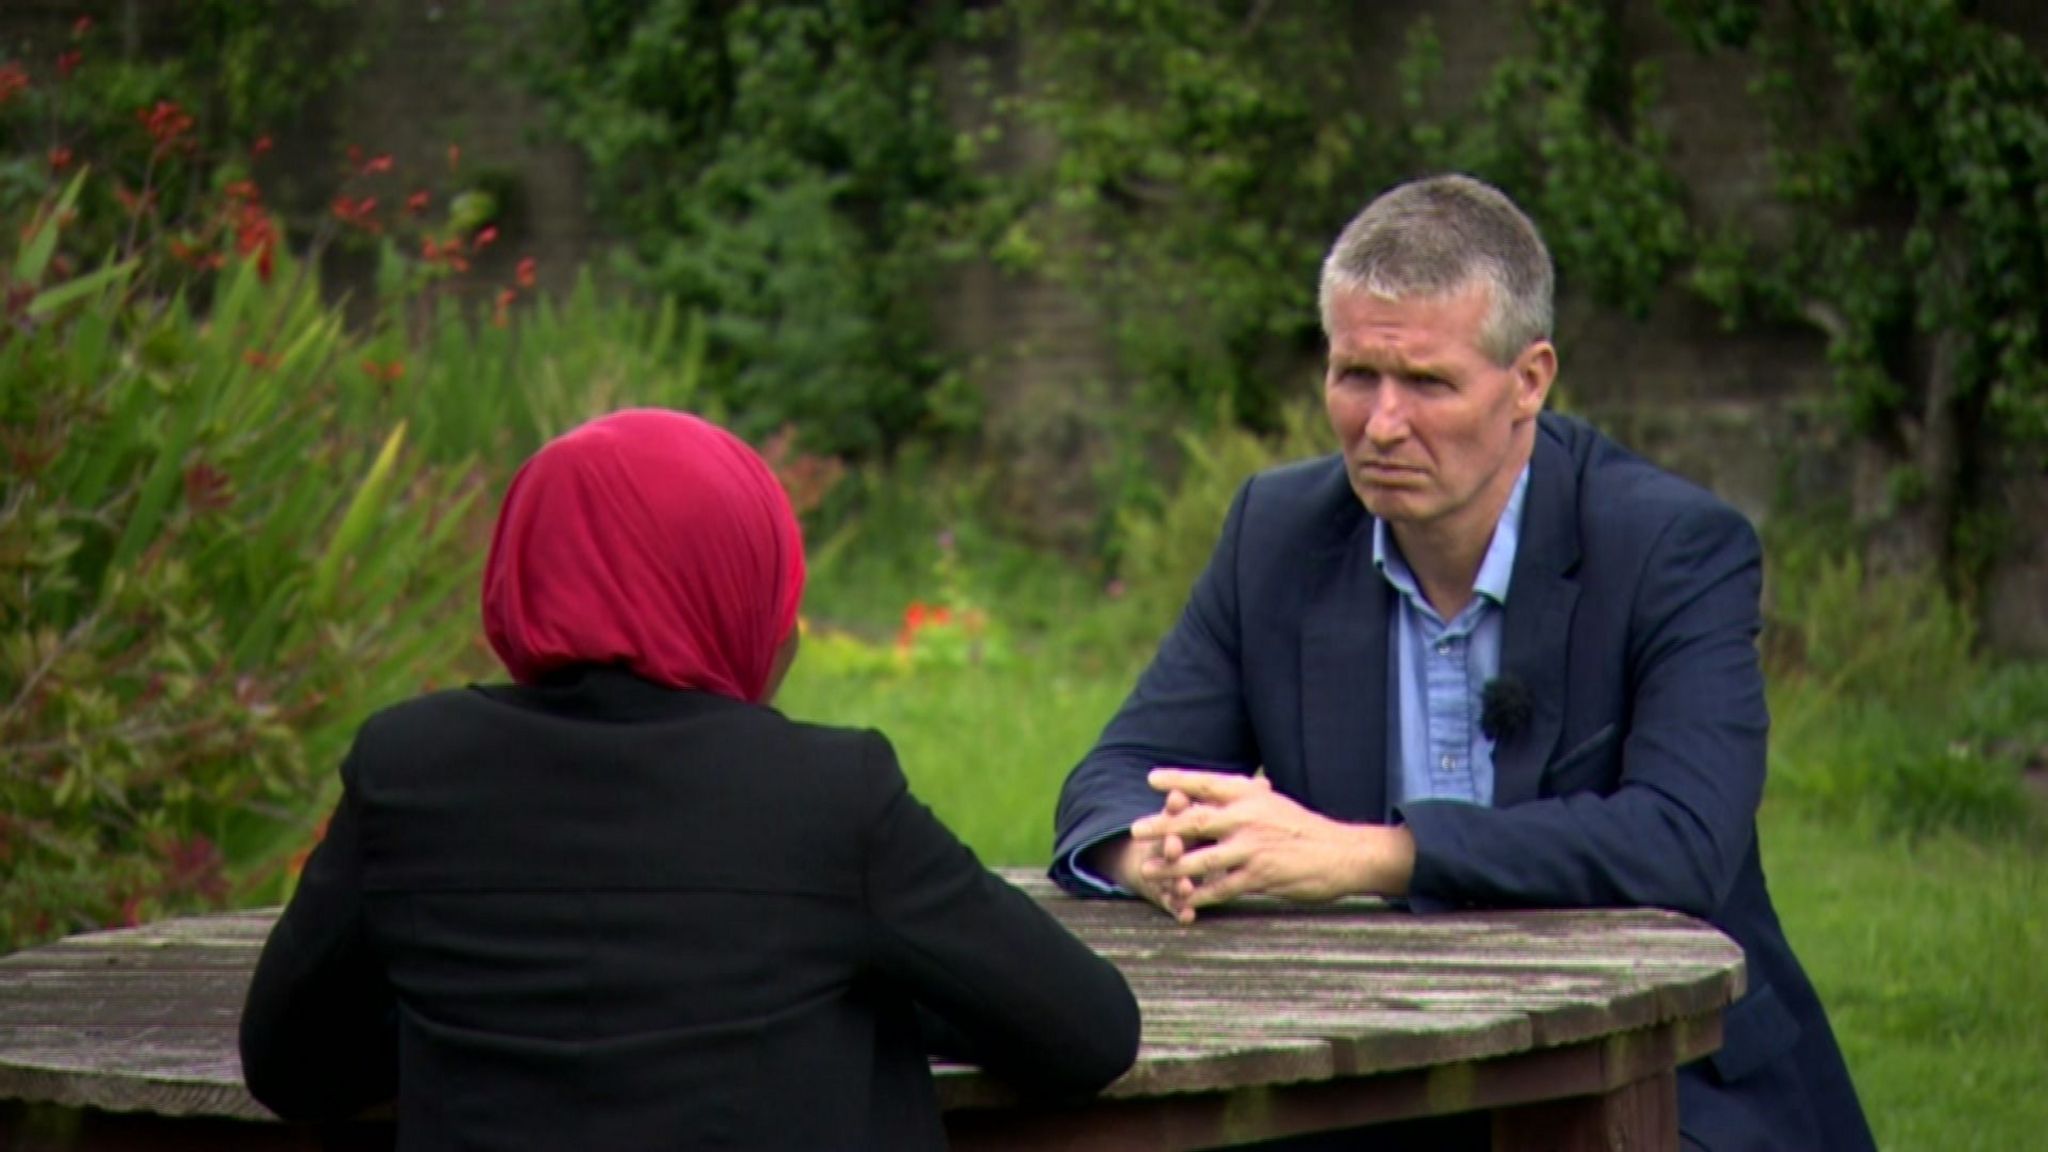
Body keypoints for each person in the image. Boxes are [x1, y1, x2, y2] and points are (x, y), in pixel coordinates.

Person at [1050, 175, 1874, 1150]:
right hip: (1369, 1080)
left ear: (1528, 380)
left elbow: (1681, 842)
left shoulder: (1669, 547)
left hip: (1665, 1074)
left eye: (1428, 384)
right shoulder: (1276, 534)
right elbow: (1107, 783)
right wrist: (1150, 851)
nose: (1380, 424)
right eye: (1354, 375)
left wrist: (1365, 855)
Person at [241, 408, 1139, 1150]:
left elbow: (289, 1064)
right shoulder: (825, 796)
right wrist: (873, 992)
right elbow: (1086, 1033)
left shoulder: (410, 771)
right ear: (736, 593)